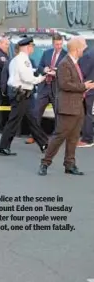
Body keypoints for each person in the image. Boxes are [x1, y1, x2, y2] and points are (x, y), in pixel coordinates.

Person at [38, 37, 94, 176]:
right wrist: (84, 86)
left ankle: (69, 164)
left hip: (77, 106)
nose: (84, 50)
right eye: (82, 48)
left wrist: (85, 87)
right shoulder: (65, 64)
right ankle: (45, 163)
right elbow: (64, 84)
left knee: (73, 138)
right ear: (76, 49)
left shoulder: (74, 63)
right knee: (59, 136)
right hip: (67, 107)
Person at [0, 37, 49, 156]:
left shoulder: (16, 59)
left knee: (32, 120)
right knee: (14, 121)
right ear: (27, 47)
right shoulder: (23, 60)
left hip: (22, 94)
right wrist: (42, 78)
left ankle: (43, 143)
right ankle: (3, 147)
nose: (33, 49)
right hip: (21, 94)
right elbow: (27, 78)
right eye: (32, 46)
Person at [27, 33, 68, 144]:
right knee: (36, 112)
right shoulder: (46, 53)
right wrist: (44, 69)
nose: (59, 46)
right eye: (56, 44)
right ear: (53, 43)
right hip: (44, 87)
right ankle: (34, 135)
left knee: (58, 114)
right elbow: (39, 68)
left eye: (60, 44)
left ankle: (57, 138)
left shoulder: (66, 55)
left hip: (57, 88)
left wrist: (57, 72)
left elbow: (68, 73)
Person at [77, 43, 94, 148]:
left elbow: (82, 73)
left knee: (87, 114)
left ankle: (87, 139)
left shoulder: (89, 55)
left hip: (89, 89)